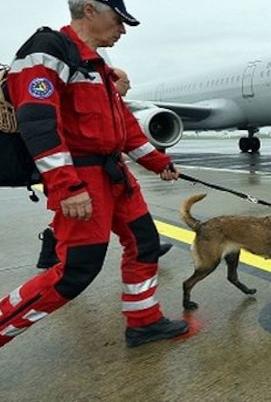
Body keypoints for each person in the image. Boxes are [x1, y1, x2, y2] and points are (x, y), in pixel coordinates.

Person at [0, 0, 188, 392]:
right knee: (73, 272)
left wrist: (159, 162)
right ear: (90, 11)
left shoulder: (96, 66)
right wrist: (66, 186)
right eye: (119, 19)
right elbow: (38, 124)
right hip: (81, 177)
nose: (124, 29)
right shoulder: (45, 52)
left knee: (145, 243)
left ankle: (144, 321)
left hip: (114, 175)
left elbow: (125, 128)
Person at [35, 67, 172, 269]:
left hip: (110, 171)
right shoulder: (96, 97)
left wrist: (160, 163)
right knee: (80, 252)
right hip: (85, 172)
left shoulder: (112, 101)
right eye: (126, 83)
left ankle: (147, 246)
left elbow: (131, 138)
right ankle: (54, 259)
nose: (129, 87)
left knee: (128, 222)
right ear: (114, 81)